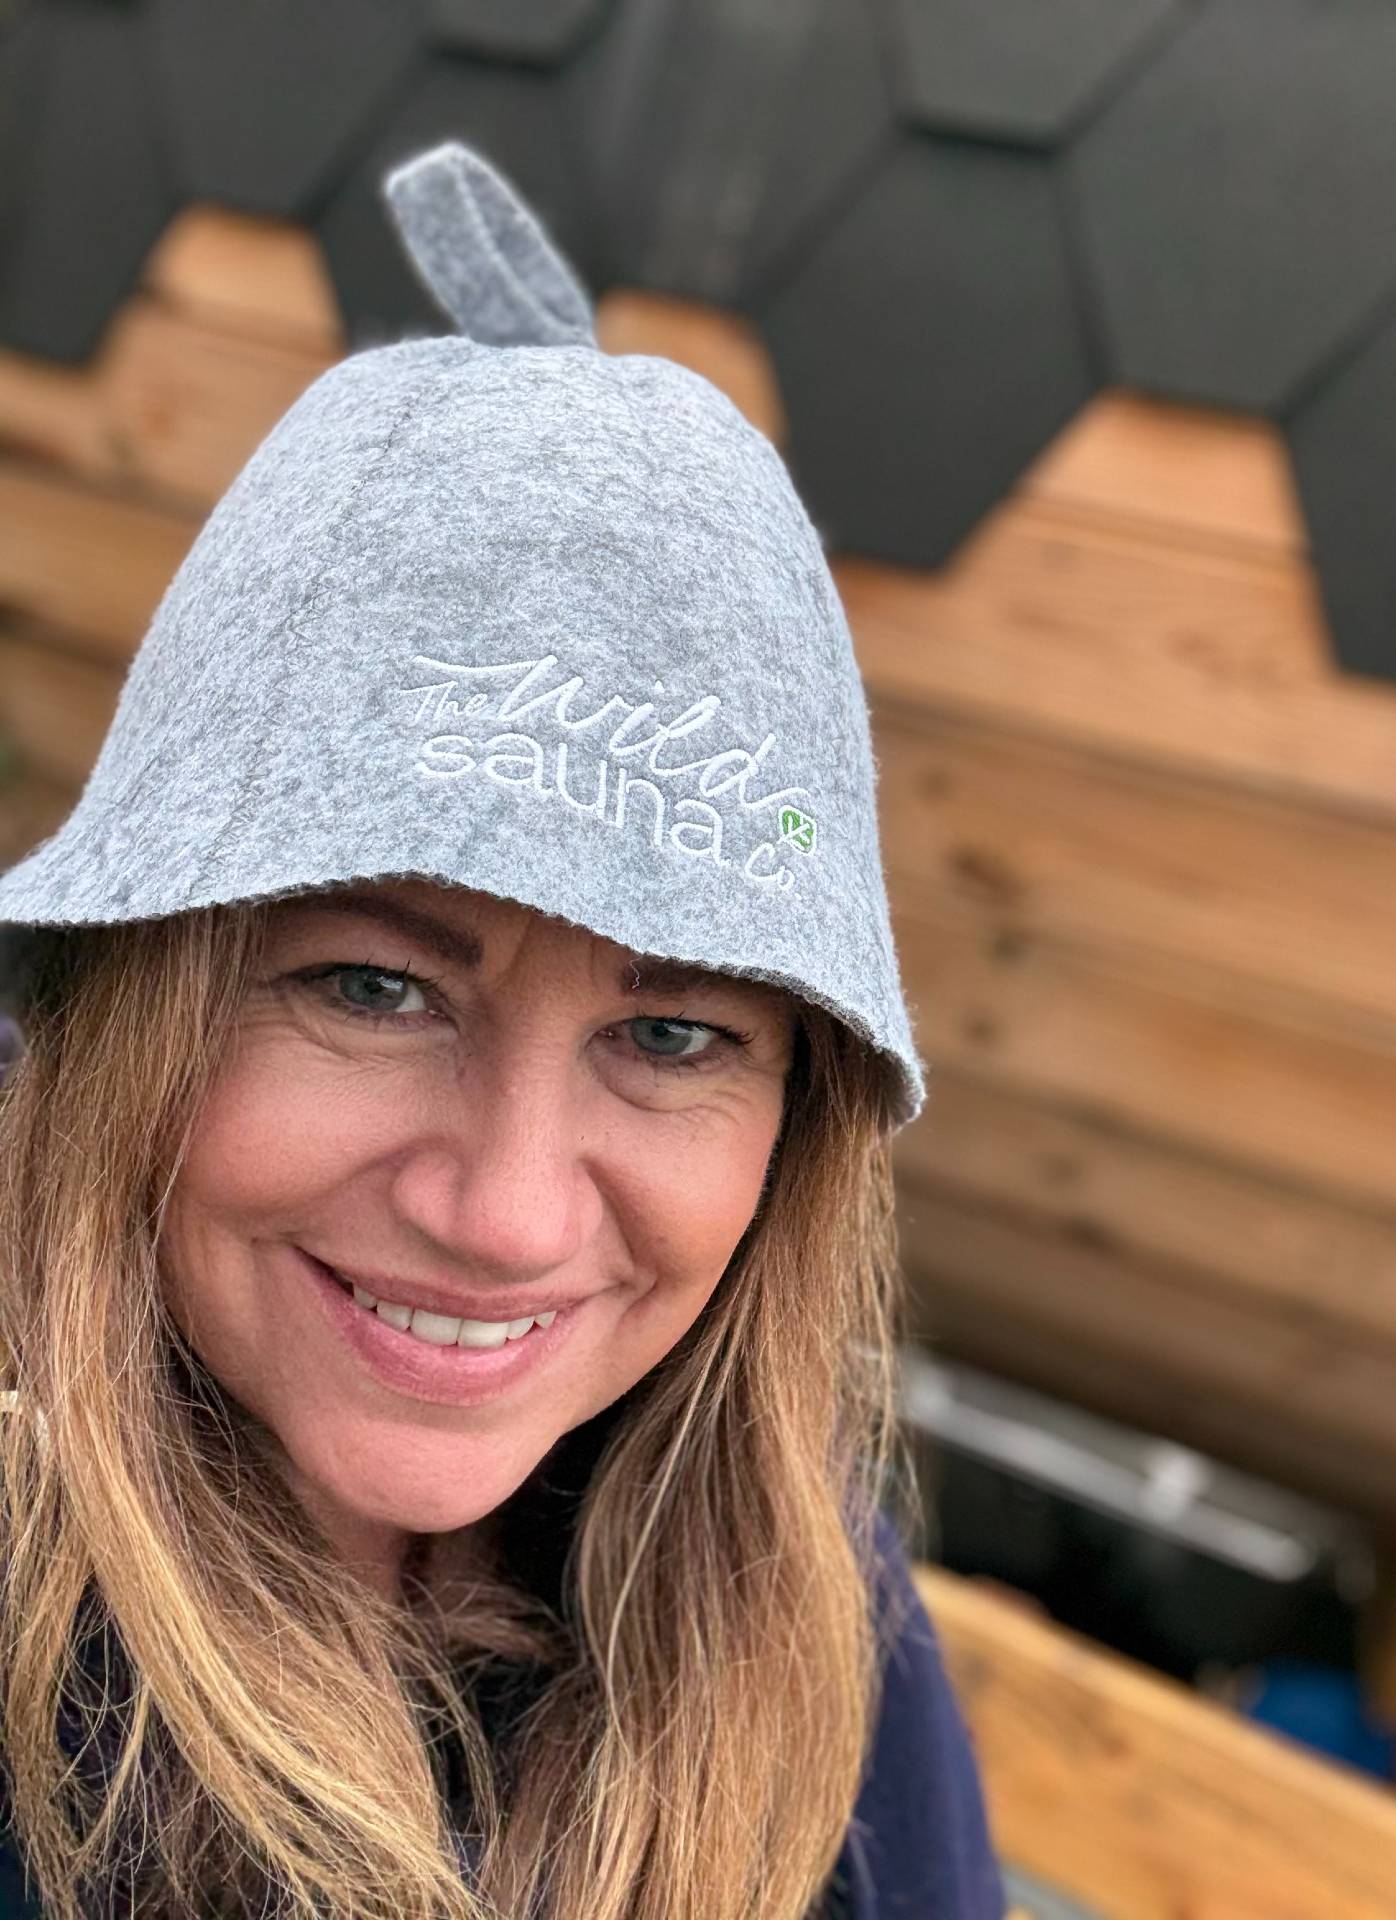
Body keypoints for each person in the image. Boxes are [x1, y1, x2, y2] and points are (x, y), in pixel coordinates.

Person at [0, 143, 1008, 1920]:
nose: (507, 1215)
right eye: (371, 989)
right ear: (129, 999)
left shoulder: (820, 1626)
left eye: (676, 1035)